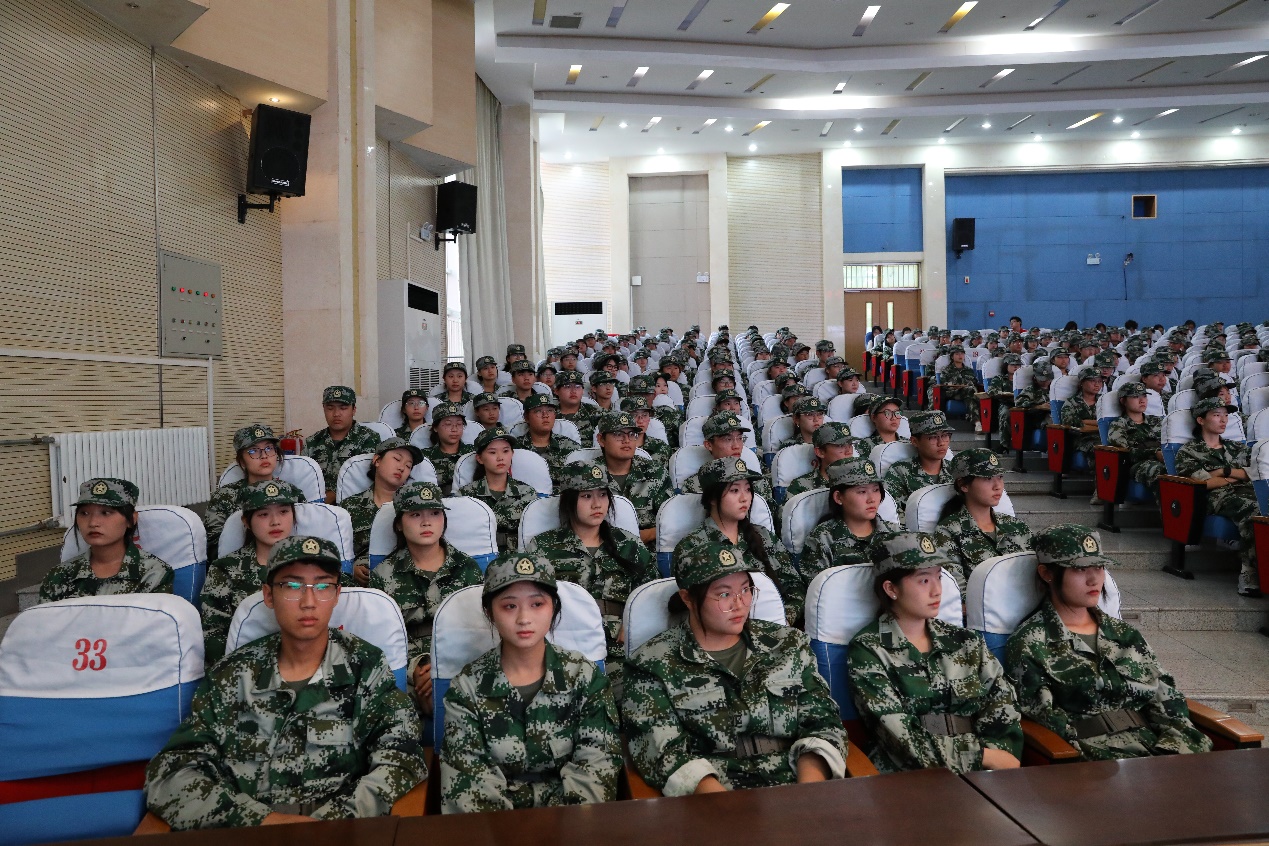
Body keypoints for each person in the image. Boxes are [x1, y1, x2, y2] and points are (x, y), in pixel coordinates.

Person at [144, 536, 426, 828]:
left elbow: (402, 756)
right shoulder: (233, 675)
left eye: (323, 587)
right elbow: (171, 773)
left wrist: (331, 824)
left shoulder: (365, 666)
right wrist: (260, 821)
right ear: (268, 595)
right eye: (292, 586)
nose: (309, 602)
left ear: (337, 595)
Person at [622, 541, 847, 795]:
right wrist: (731, 811)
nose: (740, 604)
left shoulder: (787, 644)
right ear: (687, 598)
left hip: (797, 784)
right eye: (724, 595)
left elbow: (822, 722)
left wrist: (807, 795)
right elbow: (665, 754)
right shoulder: (652, 663)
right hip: (713, 797)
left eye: (745, 590)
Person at [1005, 524, 1213, 761]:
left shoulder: (1125, 634)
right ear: (1046, 574)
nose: (1094, 579)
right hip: (1094, 759)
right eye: (1079, 569)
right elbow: (1047, 720)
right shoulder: (1031, 643)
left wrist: (1175, 754)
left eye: (1099, 567)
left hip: (1157, 749)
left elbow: (1165, 698)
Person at [440, 553, 621, 813]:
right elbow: (469, 789)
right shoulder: (467, 688)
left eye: (537, 604)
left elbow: (597, 772)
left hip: (572, 824)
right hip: (494, 827)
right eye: (509, 606)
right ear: (490, 613)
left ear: (553, 608)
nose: (524, 618)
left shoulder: (584, 677)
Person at [848, 532, 1022, 773]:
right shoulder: (868, 649)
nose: (937, 591)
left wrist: (996, 756)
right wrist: (980, 757)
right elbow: (898, 734)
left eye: (938, 577)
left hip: (984, 771)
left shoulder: (966, 641)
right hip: (907, 774)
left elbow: (1001, 704)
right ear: (891, 589)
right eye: (923, 581)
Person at [523, 463, 659, 685]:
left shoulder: (628, 543)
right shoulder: (543, 546)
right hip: (566, 643)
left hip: (621, 645)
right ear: (568, 501)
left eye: (603, 495)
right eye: (586, 496)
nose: (597, 504)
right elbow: (531, 599)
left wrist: (634, 621)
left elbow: (651, 592)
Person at [369, 482, 483, 718]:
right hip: (408, 673)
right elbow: (382, 641)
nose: (427, 522)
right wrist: (417, 671)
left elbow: (479, 631)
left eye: (434, 513)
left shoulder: (468, 568)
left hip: (460, 664)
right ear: (399, 524)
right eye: (415, 515)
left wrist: (444, 671)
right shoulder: (383, 575)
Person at [674, 457, 804, 627]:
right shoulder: (691, 547)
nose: (745, 498)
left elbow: (794, 586)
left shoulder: (764, 536)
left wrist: (783, 619)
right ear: (712, 498)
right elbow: (692, 606)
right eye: (734, 490)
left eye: (748, 489)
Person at [200, 480, 305, 665]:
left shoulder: (313, 563)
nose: (275, 522)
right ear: (246, 522)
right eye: (264, 514)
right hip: (246, 668)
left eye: (283, 512)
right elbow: (213, 637)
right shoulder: (225, 570)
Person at [1175, 397, 1260, 597]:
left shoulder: (1238, 447)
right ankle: (1249, 573)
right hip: (1217, 497)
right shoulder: (1188, 452)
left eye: (1226, 415)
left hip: (1249, 491)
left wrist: (1223, 471)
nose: (1223, 420)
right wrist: (1238, 476)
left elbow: (1256, 472)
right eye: (1216, 415)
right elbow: (1203, 483)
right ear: (1201, 420)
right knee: (1254, 511)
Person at [39, 478, 173, 604]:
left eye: (106, 513)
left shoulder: (153, 573)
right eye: (84, 513)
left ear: (131, 519)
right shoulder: (59, 576)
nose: (93, 523)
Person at [932, 449, 1033, 593]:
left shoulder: (1016, 526)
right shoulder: (948, 531)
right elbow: (957, 592)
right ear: (963, 485)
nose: (998, 486)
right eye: (988, 478)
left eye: (1000, 477)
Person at [799, 458, 900, 584]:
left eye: (876, 490)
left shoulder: (896, 533)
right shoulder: (822, 539)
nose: (872, 499)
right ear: (838, 497)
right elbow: (818, 590)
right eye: (862, 491)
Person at [338, 437, 422, 585]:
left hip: (404, 583)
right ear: (377, 460)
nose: (402, 468)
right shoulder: (349, 507)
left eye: (408, 466)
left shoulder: (413, 508)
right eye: (397, 459)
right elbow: (336, 551)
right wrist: (351, 569)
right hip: (360, 585)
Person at [593, 411, 673, 544]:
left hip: (649, 549)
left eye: (632, 434)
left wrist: (639, 537)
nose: (627, 440)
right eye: (618, 434)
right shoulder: (587, 474)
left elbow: (670, 521)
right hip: (601, 549)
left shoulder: (655, 472)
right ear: (601, 439)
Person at [458, 426, 541, 552]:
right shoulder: (466, 496)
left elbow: (533, 536)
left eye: (505, 451)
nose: (500, 457)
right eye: (492, 452)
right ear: (479, 458)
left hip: (518, 560)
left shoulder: (527, 493)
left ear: (512, 454)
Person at [204, 424, 282, 555]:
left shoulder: (291, 492)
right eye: (253, 451)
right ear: (241, 461)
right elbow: (215, 546)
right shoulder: (224, 496)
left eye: (269, 448)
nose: (264, 456)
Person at [304, 386, 382, 503]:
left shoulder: (369, 439)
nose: (336, 414)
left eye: (343, 408)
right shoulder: (312, 442)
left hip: (355, 505)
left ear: (353, 410)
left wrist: (328, 497)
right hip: (315, 506)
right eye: (330, 408)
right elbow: (304, 480)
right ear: (324, 409)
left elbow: (365, 479)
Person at [681, 412, 773, 502]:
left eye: (740, 438)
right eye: (728, 439)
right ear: (709, 445)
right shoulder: (694, 485)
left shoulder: (757, 481)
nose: (736, 446)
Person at [882, 410, 954, 522]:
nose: (941, 443)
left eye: (945, 435)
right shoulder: (900, 472)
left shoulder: (956, 470)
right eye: (933, 437)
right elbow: (892, 513)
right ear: (915, 441)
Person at [1106, 381, 1165, 502]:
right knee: (1159, 470)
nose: (1142, 400)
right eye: (1135, 396)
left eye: (1144, 396)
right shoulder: (1119, 424)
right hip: (1137, 465)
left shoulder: (1156, 421)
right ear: (1123, 401)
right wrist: (1154, 454)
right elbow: (1124, 454)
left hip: (1162, 459)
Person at [515, 393, 582, 486]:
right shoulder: (515, 448)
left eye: (550, 410)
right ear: (526, 417)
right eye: (538, 411)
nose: (545, 415)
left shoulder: (570, 447)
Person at [784, 422, 857, 499]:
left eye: (850, 444)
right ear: (820, 452)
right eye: (840, 445)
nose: (849, 451)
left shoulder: (861, 480)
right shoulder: (801, 487)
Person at [423, 401, 473, 495]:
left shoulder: (472, 453)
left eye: (459, 424)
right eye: (448, 424)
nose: (454, 429)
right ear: (435, 428)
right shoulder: (424, 457)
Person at [1059, 369, 1102, 470]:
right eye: (1092, 381)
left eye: (1100, 381)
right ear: (1082, 383)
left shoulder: (1103, 401)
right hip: (1082, 439)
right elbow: (1069, 421)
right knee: (1099, 447)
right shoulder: (1072, 402)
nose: (1097, 385)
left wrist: (1085, 421)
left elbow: (1111, 422)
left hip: (1103, 436)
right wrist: (1099, 424)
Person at [931, 346, 982, 431]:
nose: (960, 356)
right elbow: (944, 384)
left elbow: (975, 382)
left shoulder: (969, 370)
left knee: (970, 398)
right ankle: (976, 420)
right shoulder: (946, 370)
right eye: (957, 354)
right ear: (952, 356)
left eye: (962, 353)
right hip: (952, 393)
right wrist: (956, 386)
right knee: (971, 391)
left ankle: (977, 423)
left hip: (967, 392)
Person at [621, 396, 671, 464]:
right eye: (634, 415)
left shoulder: (661, 447)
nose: (641, 421)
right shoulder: (617, 447)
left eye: (644, 415)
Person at [555, 370, 599, 446]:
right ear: (556, 391)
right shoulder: (549, 415)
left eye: (578, 387)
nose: (573, 391)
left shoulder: (596, 412)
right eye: (567, 386)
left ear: (583, 391)